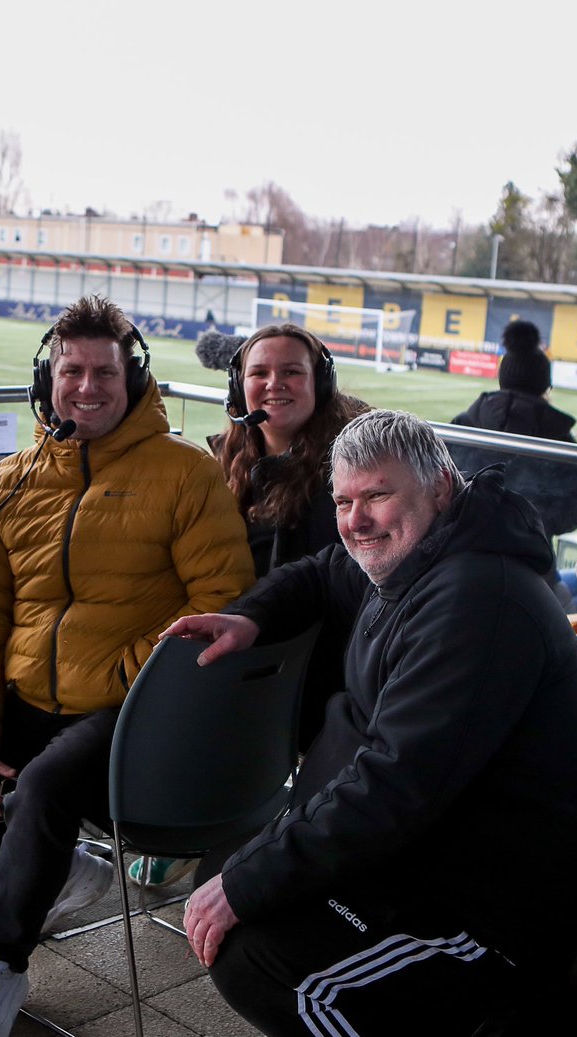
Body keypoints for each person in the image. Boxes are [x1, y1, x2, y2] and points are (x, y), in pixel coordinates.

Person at [0, 295, 255, 1037]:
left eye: (103, 372)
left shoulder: (185, 473)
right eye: (71, 370)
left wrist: (126, 673)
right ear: (46, 381)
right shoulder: (9, 481)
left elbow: (223, 605)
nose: (86, 387)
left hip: (127, 706)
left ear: (134, 377)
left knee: (42, 789)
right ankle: (67, 868)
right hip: (29, 695)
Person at [168, 409, 577, 1036]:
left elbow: (396, 783)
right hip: (407, 860)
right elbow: (319, 572)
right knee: (231, 888)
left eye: (377, 495)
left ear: (441, 488)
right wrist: (251, 617)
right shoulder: (410, 555)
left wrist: (252, 879)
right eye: (343, 500)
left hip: (479, 918)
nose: (355, 520)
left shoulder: (477, 600)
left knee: (272, 968)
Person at [132, 323, 368, 888]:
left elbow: (332, 579)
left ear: (321, 383)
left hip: (316, 657)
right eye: (260, 373)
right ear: (239, 385)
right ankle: (190, 818)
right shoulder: (223, 459)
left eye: (292, 372)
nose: (274, 384)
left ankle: (230, 828)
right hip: (237, 636)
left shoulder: (345, 470)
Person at [449, 319, 577, 604]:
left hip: (458, 563)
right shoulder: (558, 436)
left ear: (503, 379)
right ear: (544, 386)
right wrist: (537, 523)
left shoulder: (463, 424)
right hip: (534, 570)